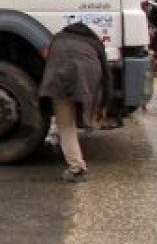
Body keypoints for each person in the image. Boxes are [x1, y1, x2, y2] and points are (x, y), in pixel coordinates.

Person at [39, 21, 111, 182]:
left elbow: (46, 55)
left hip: (59, 80)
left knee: (65, 125)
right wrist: (104, 104)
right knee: (88, 112)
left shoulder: (58, 38)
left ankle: (77, 167)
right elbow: (107, 75)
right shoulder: (94, 42)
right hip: (88, 80)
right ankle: (90, 122)